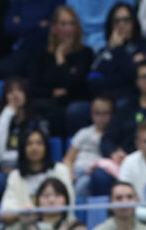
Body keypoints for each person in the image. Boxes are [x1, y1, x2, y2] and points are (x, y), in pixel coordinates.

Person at [28, 5, 94, 137]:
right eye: (63, 24)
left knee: (70, 112)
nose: (68, 29)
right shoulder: (42, 55)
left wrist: (60, 58)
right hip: (48, 102)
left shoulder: (85, 53)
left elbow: (78, 85)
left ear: (77, 28)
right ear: (54, 28)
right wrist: (52, 92)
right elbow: (34, 86)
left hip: (75, 102)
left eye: (72, 24)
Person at [0, 77, 49, 204]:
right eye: (10, 91)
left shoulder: (38, 122)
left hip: (28, 172)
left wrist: (6, 158)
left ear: (26, 94)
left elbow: (39, 152)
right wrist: (7, 113)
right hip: (1, 173)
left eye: (19, 90)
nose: (15, 95)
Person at [0, 127, 71, 220]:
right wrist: (23, 212)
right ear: (22, 148)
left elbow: (69, 205)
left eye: (39, 143)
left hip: (58, 224)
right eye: (29, 144)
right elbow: (5, 214)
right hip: (25, 226)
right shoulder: (15, 176)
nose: (34, 148)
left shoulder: (60, 170)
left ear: (46, 147)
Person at [87, 2, 146, 103]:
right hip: (104, 99)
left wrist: (118, 50)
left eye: (126, 20)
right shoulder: (104, 51)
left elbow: (135, 78)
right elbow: (92, 80)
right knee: (77, 109)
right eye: (117, 21)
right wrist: (120, 77)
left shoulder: (144, 46)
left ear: (134, 22)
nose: (121, 24)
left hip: (132, 99)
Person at [62, 95, 118, 200]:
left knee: (84, 183)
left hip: (95, 174)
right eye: (97, 113)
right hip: (77, 171)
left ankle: (73, 206)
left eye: (105, 113)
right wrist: (69, 174)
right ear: (91, 113)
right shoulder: (83, 133)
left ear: (112, 114)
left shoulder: (115, 136)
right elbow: (68, 159)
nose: (101, 117)